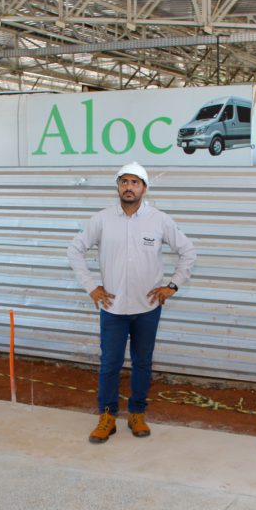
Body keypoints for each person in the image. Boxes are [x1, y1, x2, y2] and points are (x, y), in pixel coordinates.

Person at [67, 162, 197, 444]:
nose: (129, 187)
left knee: (142, 363)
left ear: (144, 188)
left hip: (147, 309)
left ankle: (137, 413)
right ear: (117, 186)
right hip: (112, 309)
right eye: (124, 181)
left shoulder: (159, 220)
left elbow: (188, 251)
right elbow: (74, 251)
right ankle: (107, 417)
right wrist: (92, 287)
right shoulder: (102, 220)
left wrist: (172, 285)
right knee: (110, 364)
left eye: (135, 182)